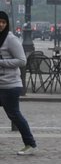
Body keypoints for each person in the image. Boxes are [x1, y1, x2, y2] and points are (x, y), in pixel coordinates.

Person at [0, 11, 38, 155]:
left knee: (14, 115)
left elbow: (22, 60)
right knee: (14, 114)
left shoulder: (10, 39)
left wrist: (1, 62)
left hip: (10, 85)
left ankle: (30, 144)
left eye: (3, 22)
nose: (1, 24)